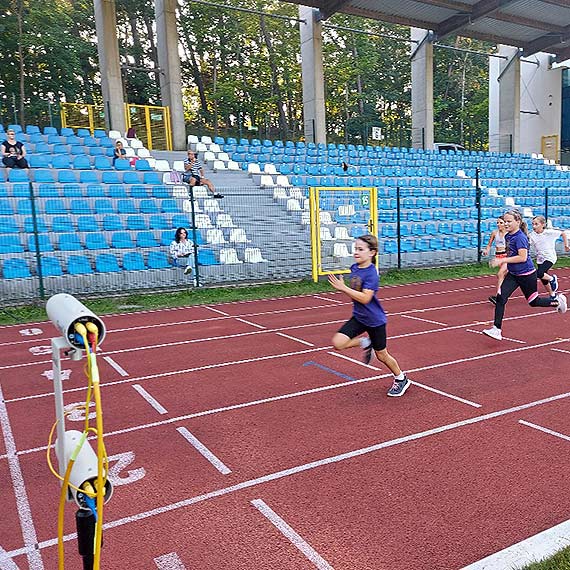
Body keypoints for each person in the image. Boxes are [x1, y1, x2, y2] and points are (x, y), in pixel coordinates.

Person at [328, 234, 411, 397]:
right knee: (338, 343)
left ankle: (401, 378)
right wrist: (347, 289)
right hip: (359, 317)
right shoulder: (354, 268)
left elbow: (366, 298)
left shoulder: (372, 274)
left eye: (360, 249)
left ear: (372, 252)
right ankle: (365, 343)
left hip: (375, 321)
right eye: (355, 249)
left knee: (382, 355)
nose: (356, 252)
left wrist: (343, 288)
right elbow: (356, 295)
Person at [482, 209, 567, 341]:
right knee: (500, 298)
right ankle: (496, 329)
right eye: (504, 221)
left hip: (526, 275)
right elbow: (512, 254)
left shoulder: (520, 237)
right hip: (513, 274)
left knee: (533, 302)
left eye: (509, 221)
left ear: (518, 222)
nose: (505, 224)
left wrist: (502, 260)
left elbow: (522, 257)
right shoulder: (508, 236)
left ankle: (557, 301)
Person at [529, 215, 570, 299]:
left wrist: (566, 245)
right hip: (540, 259)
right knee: (543, 278)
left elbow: (563, 233)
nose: (534, 226)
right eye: (532, 224)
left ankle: (552, 279)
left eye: (536, 224)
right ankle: (552, 295)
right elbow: (528, 244)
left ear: (543, 224)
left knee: (539, 273)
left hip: (550, 257)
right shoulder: (532, 235)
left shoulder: (549, 232)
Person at [482, 216, 508, 305]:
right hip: (498, 256)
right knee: (507, 276)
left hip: (506, 256)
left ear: (505, 224)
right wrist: (487, 250)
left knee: (500, 274)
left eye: (501, 223)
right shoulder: (494, 233)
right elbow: (489, 244)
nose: (499, 225)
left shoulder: (508, 233)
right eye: (497, 223)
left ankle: (498, 297)